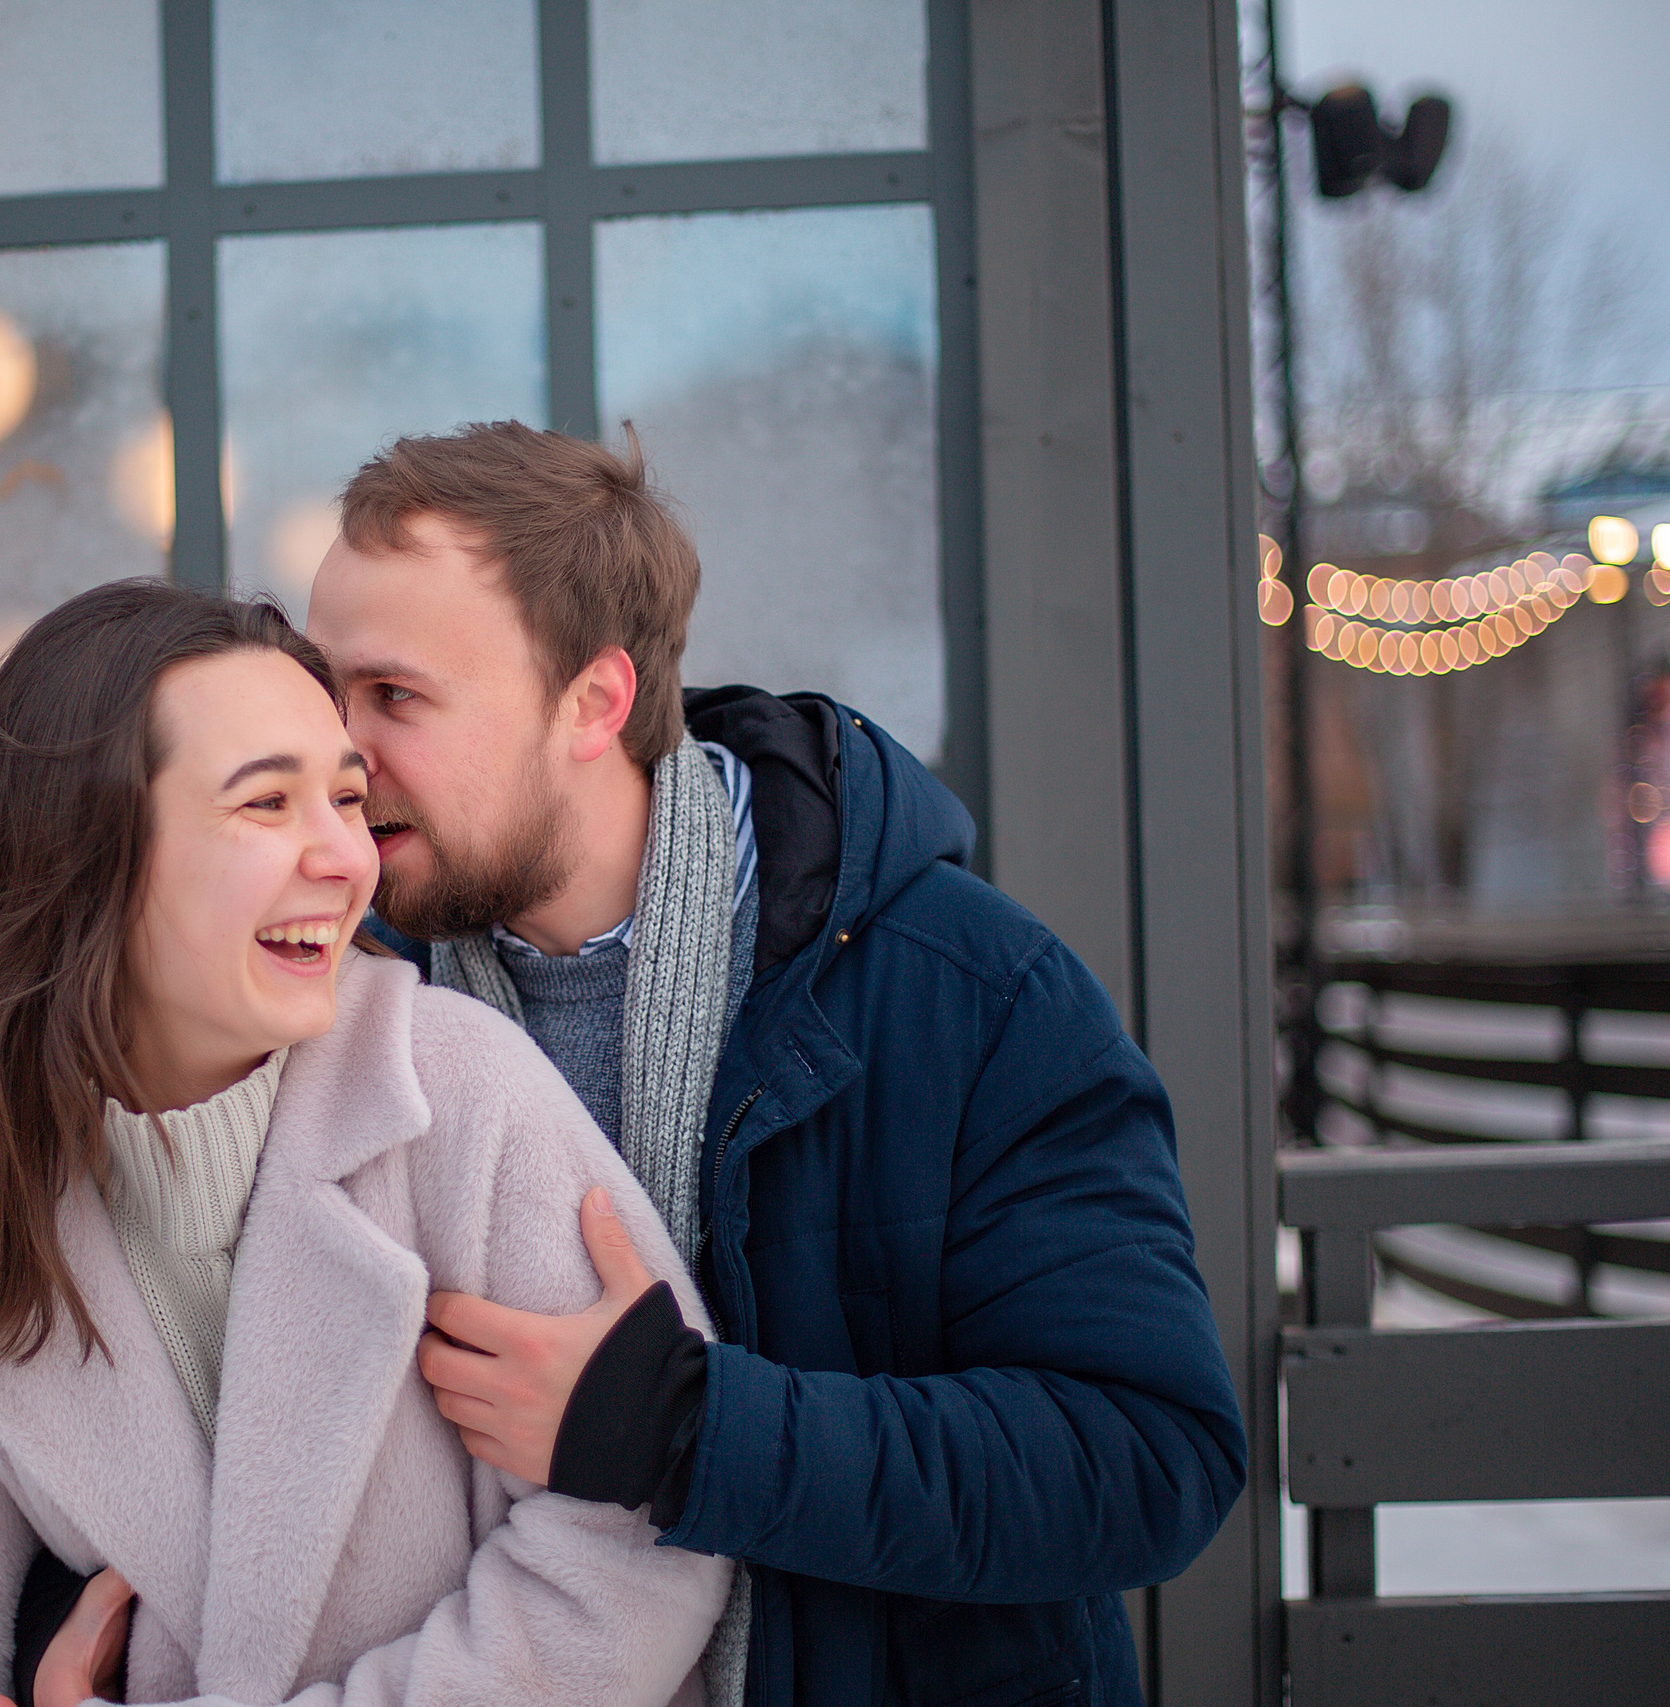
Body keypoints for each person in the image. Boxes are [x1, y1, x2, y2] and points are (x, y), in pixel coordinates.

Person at [308, 422, 1247, 1707]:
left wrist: (690, 1431)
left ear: (594, 702)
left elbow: (1146, 1459)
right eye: (328, 695)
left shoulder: (965, 992)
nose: (344, 759)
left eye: (395, 696)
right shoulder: (336, 1005)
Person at [0, 581, 730, 1707]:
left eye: (345, 797)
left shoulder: (455, 1092)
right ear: (86, 853)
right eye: (265, 805)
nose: (346, 859)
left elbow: (638, 1553)